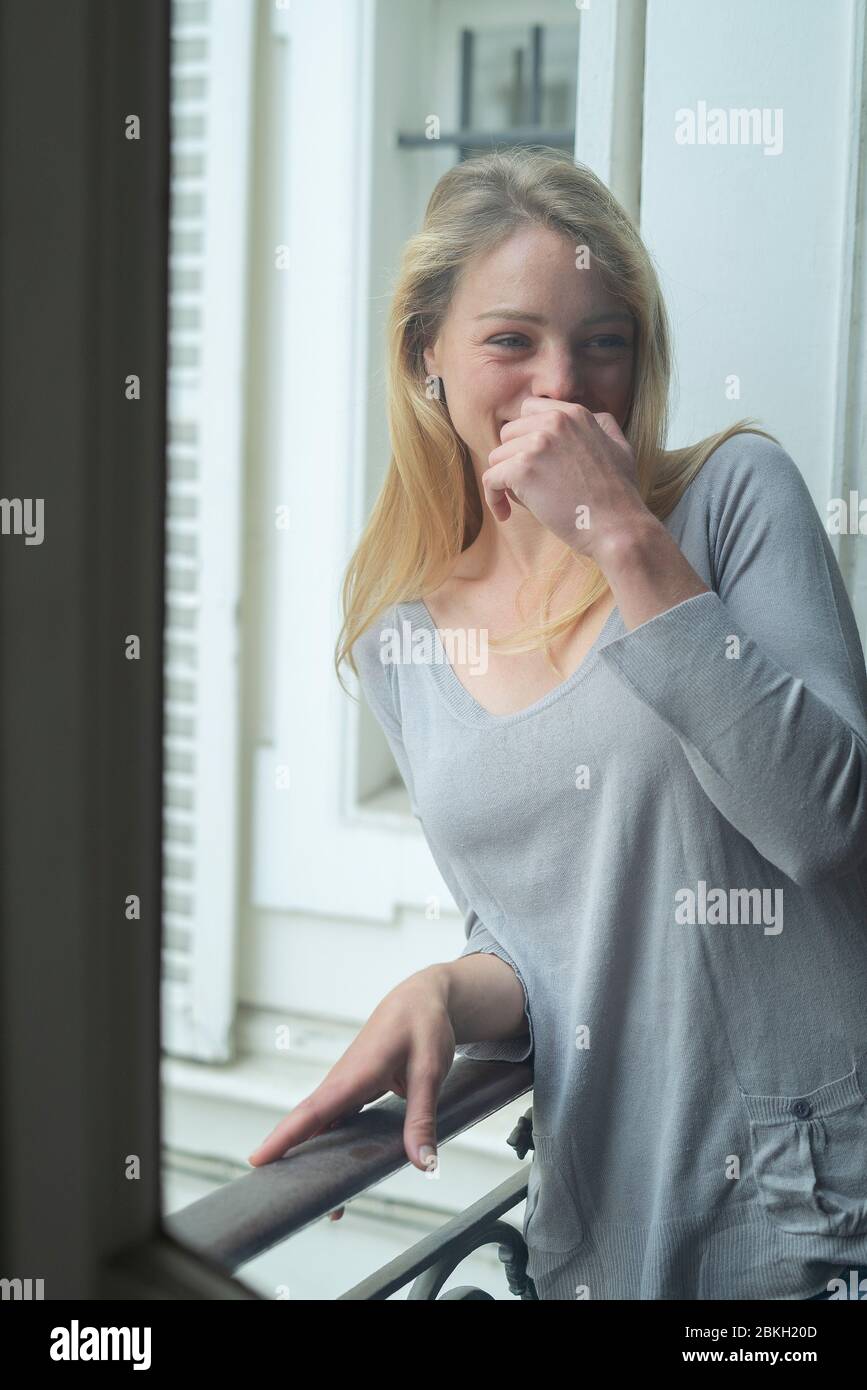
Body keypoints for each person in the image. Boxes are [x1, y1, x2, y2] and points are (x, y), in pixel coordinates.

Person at [249, 147, 867, 1301]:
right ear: (425, 354)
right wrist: (446, 987)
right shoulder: (401, 636)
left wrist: (623, 538)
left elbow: (828, 824)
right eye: (511, 340)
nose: (563, 383)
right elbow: (541, 941)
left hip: (812, 1227)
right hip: (608, 1233)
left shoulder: (732, 503)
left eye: (603, 342)